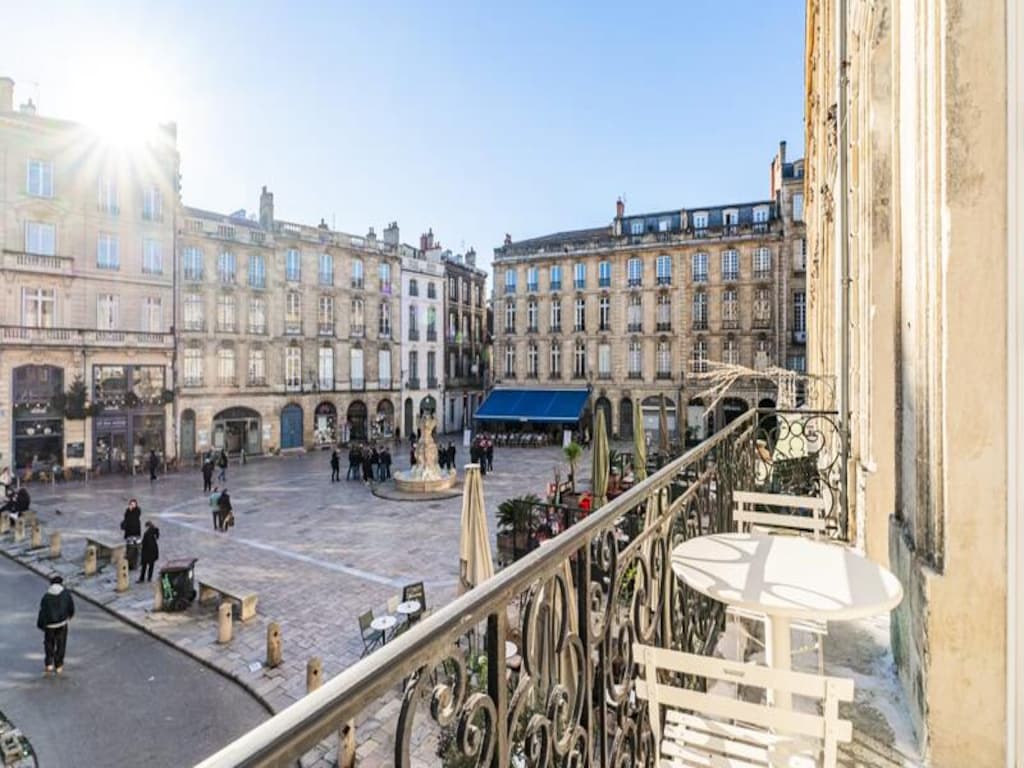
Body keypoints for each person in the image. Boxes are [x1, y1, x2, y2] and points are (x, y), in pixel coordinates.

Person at [37, 574, 75, 676]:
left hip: (49, 625)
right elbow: (70, 606)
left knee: (49, 643)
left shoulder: (46, 596)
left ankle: (49, 663)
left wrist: (41, 624)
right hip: (62, 623)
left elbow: (42, 611)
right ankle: (59, 665)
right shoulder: (66, 594)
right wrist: (70, 615)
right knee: (61, 644)